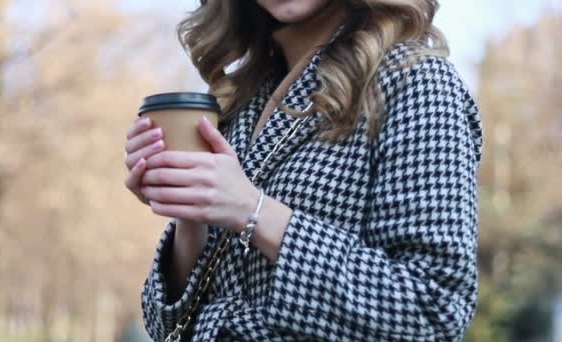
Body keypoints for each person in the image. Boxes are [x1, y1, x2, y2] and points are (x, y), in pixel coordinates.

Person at [124, 0, 482, 341]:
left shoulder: (417, 82)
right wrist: (191, 206)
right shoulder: (242, 99)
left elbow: (435, 311)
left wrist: (254, 211)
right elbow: (168, 327)